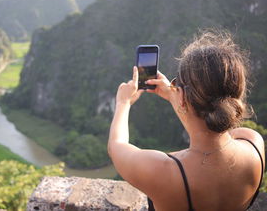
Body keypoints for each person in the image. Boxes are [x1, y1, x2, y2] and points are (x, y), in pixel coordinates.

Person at [108, 30, 265, 211]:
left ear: (182, 96)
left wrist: (123, 102)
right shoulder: (253, 143)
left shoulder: (164, 172)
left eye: (176, 85)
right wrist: (175, 95)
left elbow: (116, 147)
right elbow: (212, 123)